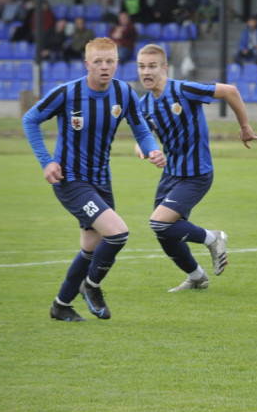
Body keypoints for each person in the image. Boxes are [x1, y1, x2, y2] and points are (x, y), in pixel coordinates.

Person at [22, 37, 165, 322]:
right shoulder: (67, 92)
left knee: (91, 247)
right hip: (70, 180)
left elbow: (141, 130)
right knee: (118, 233)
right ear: (87, 64)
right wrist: (46, 160)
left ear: (117, 63)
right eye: (98, 62)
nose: (104, 67)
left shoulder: (123, 92)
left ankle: (61, 305)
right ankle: (92, 286)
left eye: (109, 61)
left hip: (101, 180)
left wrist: (153, 150)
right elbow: (30, 119)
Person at [135, 43, 257, 291]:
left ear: (164, 68)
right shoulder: (143, 104)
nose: (146, 72)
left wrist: (244, 125)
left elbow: (230, 91)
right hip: (171, 175)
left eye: (151, 66)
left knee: (159, 223)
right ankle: (196, 277)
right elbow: (142, 139)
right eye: (141, 66)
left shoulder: (183, 89)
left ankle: (214, 238)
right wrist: (149, 151)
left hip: (196, 174)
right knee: (164, 231)